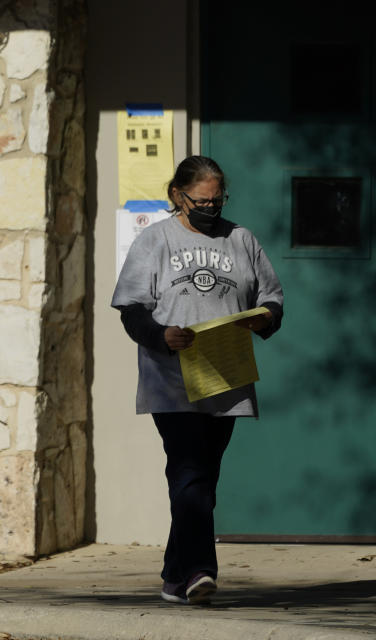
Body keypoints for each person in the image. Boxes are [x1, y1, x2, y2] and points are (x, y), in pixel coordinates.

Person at [111, 155, 283, 605]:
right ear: (177, 196)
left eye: (218, 200)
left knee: (202, 476)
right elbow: (131, 311)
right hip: (172, 378)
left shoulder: (241, 239)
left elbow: (271, 299)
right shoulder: (154, 240)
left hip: (226, 376)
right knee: (189, 472)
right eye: (201, 201)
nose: (211, 208)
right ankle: (201, 573)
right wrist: (160, 335)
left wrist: (264, 319)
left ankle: (174, 575)